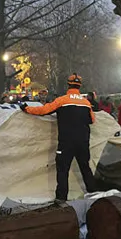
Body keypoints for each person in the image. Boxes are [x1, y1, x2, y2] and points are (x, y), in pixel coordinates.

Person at [20, 73, 97, 202]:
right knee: (85, 168)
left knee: (63, 170)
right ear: (79, 86)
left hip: (66, 142)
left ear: (68, 85)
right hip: (83, 142)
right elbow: (92, 120)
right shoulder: (86, 102)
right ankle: (95, 196)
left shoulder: (62, 100)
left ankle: (61, 200)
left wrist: (26, 108)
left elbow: (44, 110)